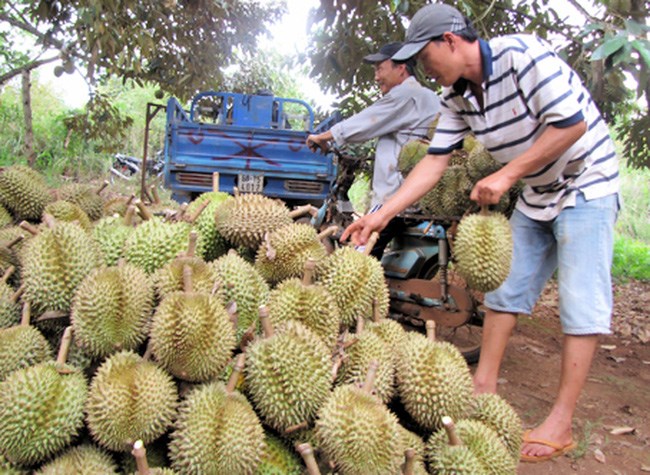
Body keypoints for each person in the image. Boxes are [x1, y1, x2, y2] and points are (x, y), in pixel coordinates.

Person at [341, 3, 620, 463]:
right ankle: (482, 385)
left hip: (586, 182)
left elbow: (572, 125)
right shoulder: (456, 98)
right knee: (504, 292)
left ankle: (562, 421)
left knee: (580, 300)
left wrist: (507, 175)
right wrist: (380, 215)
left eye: (425, 58)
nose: (425, 71)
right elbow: (434, 163)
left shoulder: (524, 57)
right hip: (537, 189)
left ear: (450, 41)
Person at [306, 41, 440, 259]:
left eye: (380, 69)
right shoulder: (426, 96)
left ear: (401, 68)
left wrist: (322, 137)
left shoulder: (407, 95)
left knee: (356, 260)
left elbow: (365, 122)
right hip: (416, 193)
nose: (376, 77)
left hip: (395, 198)